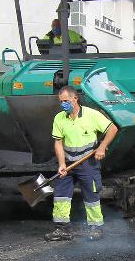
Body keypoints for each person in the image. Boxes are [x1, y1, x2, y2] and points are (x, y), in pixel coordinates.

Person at [46, 85, 118, 242]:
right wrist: (61, 164)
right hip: (68, 163)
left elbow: (112, 129)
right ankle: (62, 230)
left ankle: (96, 228)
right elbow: (58, 143)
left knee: (91, 195)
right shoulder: (59, 118)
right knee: (61, 196)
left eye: (66, 100)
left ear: (75, 98)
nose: (63, 104)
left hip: (87, 162)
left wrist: (102, 147)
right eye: (61, 101)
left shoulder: (92, 115)